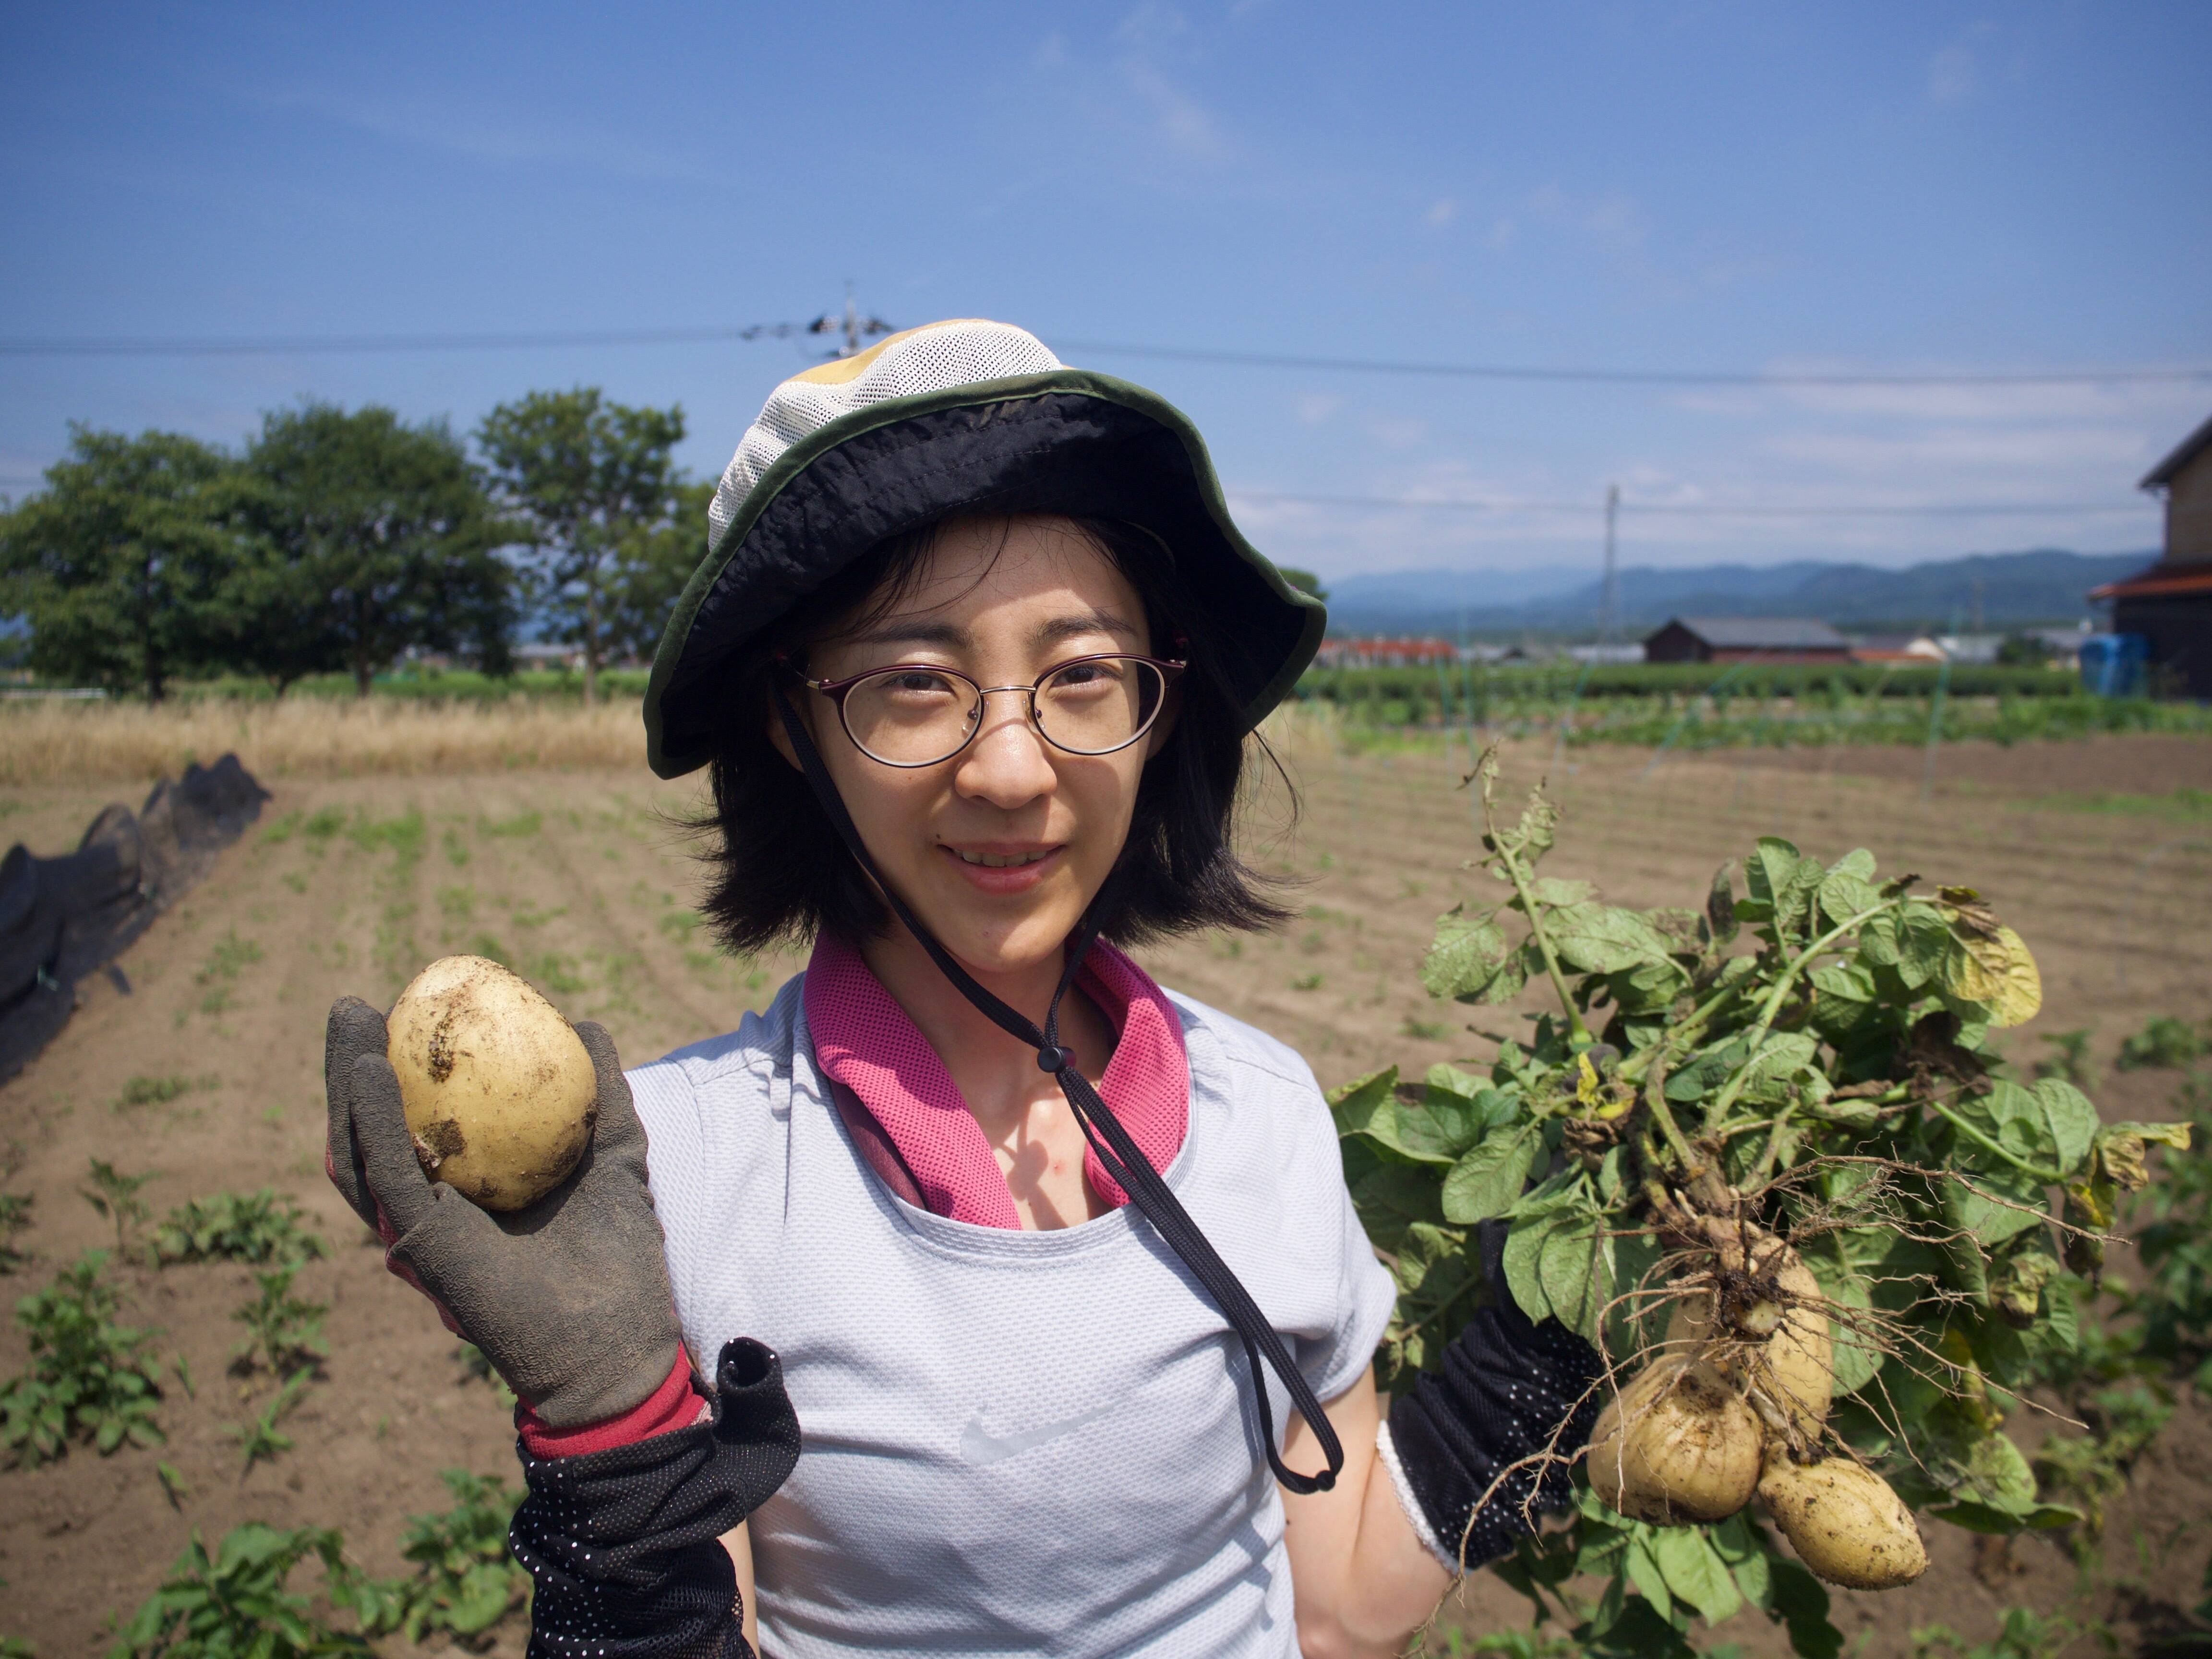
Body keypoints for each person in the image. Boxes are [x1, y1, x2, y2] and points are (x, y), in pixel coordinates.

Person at [324, 320, 1602, 1659]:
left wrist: (1539, 1357)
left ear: (1159, 700)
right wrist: (614, 1449)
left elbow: (1334, 1608)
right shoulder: (673, 1180)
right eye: (915, 683)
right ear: (790, 717)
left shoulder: (1265, 1113)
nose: (1009, 768)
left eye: (1082, 674)